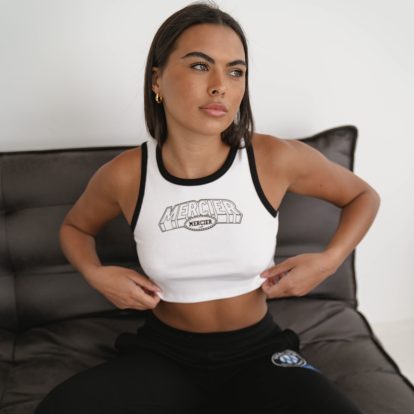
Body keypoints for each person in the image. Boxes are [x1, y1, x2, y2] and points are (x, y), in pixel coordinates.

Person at [34, 2, 380, 413]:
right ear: (157, 79)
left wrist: (329, 260)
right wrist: (96, 273)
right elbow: (75, 228)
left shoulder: (273, 158)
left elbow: (363, 196)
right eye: (200, 66)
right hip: (164, 355)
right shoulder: (126, 174)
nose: (220, 86)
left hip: (257, 351)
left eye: (235, 71)